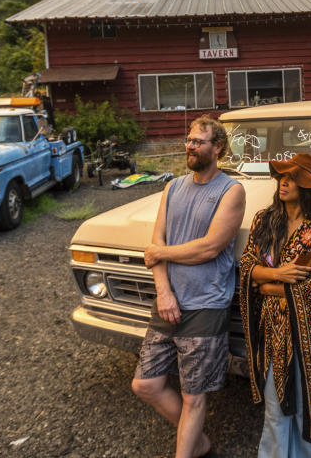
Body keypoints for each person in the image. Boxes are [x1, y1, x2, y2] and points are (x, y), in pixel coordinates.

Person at [132, 115, 246, 458]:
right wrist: (164, 292)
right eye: (189, 140)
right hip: (168, 301)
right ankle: (201, 446)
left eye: (199, 141)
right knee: (145, 384)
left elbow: (209, 248)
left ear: (218, 148)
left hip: (206, 305)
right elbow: (156, 242)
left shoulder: (231, 191)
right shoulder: (173, 187)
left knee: (194, 395)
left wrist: (161, 252)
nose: (190, 146)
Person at [238, 153, 311, 457]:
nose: (284, 183)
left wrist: (265, 284)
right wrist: (278, 275)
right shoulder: (265, 221)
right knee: (276, 407)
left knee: (306, 411)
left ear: (307, 188)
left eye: (292, 178)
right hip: (274, 332)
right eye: (282, 177)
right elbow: (247, 265)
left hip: (308, 337)